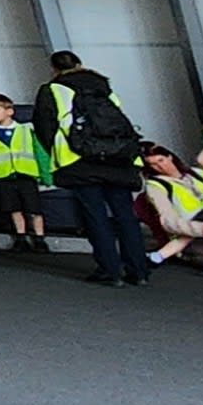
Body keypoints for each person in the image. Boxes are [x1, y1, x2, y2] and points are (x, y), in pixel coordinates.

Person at [55, 68, 153, 285]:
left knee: (95, 217)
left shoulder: (55, 90)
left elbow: (47, 127)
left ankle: (111, 270)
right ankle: (139, 271)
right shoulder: (106, 90)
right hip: (119, 161)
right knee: (126, 216)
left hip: (82, 163)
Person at [0, 92, 51, 252]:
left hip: (26, 175)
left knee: (34, 209)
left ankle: (39, 238)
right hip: (5, 176)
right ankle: (21, 237)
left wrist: (46, 174)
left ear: (9, 111)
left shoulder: (26, 130)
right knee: (14, 209)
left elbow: (40, 153)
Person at [140, 146, 203, 275]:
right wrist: (201, 229)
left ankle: (158, 256)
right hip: (191, 226)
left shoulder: (198, 173)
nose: (160, 166)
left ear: (170, 157)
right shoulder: (156, 185)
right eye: (153, 164)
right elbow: (168, 220)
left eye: (161, 160)